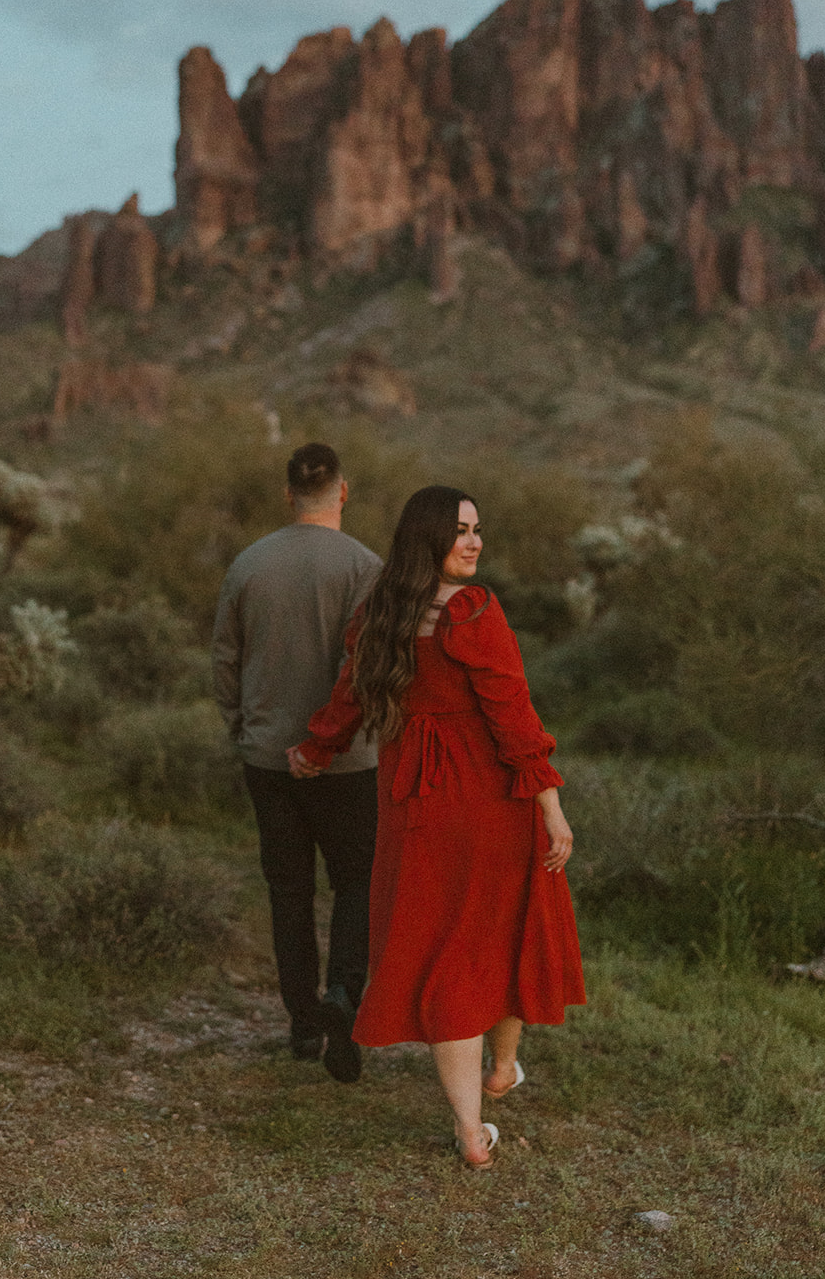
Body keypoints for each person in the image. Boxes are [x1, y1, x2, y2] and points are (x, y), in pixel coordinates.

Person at [288, 485, 585, 1166]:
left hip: (414, 804)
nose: (474, 541)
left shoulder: (381, 613)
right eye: (459, 531)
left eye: (478, 528)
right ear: (428, 539)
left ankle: (468, 1127)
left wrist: (315, 748)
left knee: (445, 949)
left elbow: (350, 696)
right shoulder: (474, 611)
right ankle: (501, 1068)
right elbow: (512, 715)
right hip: (486, 798)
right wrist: (549, 804)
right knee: (505, 928)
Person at [212, 442, 382, 1082]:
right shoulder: (367, 567)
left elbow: (224, 661)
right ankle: (343, 997)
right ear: (344, 491)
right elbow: (369, 668)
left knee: (288, 891)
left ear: (289, 495)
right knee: (355, 885)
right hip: (350, 764)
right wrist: (333, 742)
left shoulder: (248, 564)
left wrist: (244, 729)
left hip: (267, 759)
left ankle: (303, 1024)